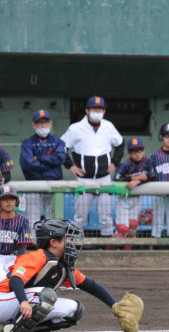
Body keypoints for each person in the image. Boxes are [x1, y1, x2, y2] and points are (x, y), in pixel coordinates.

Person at [0, 219, 119, 332]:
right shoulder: (37, 257)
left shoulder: (62, 265)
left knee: (74, 310)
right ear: (53, 242)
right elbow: (16, 280)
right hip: (4, 300)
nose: (71, 243)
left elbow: (91, 286)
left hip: (23, 303)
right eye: (67, 239)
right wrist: (23, 302)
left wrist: (114, 306)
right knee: (47, 295)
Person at [61, 96, 124, 237]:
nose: (98, 111)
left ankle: (107, 248)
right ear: (87, 110)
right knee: (80, 217)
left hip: (104, 177)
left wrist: (114, 163)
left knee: (106, 216)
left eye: (100, 108)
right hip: (84, 179)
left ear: (104, 111)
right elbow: (61, 147)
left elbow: (120, 144)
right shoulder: (76, 128)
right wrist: (70, 166)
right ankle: (76, 247)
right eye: (94, 108)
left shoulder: (108, 126)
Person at [20, 110, 67, 234]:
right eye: (39, 123)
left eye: (45, 122)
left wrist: (39, 158)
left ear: (50, 124)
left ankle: (51, 248)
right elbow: (28, 165)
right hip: (34, 185)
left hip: (54, 185)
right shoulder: (27, 143)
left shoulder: (58, 142)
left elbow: (60, 158)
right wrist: (50, 162)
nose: (42, 125)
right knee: (32, 219)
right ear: (33, 125)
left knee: (53, 220)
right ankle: (33, 246)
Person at [113, 137, 149, 243]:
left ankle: (128, 254)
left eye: (139, 150)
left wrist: (137, 181)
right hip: (123, 198)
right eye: (133, 151)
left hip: (137, 197)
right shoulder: (125, 164)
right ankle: (112, 252)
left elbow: (153, 176)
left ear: (144, 150)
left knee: (133, 226)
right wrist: (134, 178)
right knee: (122, 229)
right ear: (128, 153)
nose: (137, 154)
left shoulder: (148, 162)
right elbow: (116, 178)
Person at [0, 186, 33, 282]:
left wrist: (17, 267)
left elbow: (22, 250)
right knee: (3, 280)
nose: (8, 202)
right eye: (4, 199)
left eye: (11, 198)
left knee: (21, 278)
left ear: (16, 201)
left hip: (13, 258)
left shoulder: (23, 220)